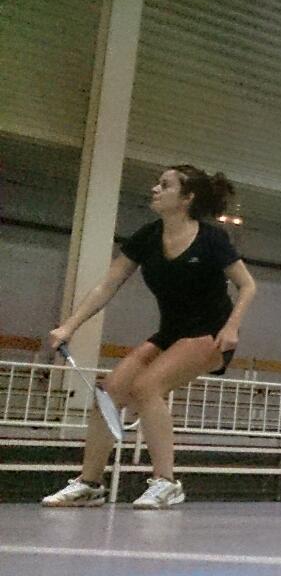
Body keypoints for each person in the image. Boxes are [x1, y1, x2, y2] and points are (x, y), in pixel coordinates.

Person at [42, 165, 256, 509]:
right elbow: (107, 286)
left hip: (212, 332)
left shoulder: (211, 239)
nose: (155, 189)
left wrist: (232, 327)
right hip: (171, 332)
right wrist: (69, 326)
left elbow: (247, 285)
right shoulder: (147, 237)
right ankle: (90, 484)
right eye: (158, 184)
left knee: (147, 387)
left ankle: (167, 482)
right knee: (109, 391)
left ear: (187, 198)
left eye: (165, 185)